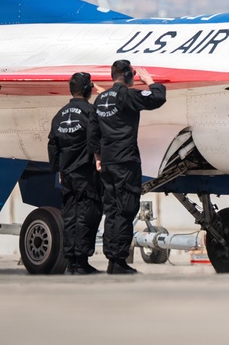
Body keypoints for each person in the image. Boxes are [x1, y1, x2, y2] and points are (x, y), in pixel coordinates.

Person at [88, 59, 167, 275]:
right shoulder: (127, 96)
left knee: (112, 211)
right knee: (125, 209)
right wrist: (150, 81)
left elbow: (93, 132)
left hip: (107, 162)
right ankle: (118, 261)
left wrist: (97, 156)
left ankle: (112, 258)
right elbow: (158, 97)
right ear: (128, 75)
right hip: (125, 162)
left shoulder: (101, 99)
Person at [47, 72, 103, 275]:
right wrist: (100, 159)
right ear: (88, 90)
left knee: (70, 215)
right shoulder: (91, 112)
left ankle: (71, 260)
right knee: (87, 215)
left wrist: (57, 169)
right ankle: (80, 262)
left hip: (67, 174)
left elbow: (53, 144)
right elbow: (96, 139)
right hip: (86, 173)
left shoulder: (59, 115)